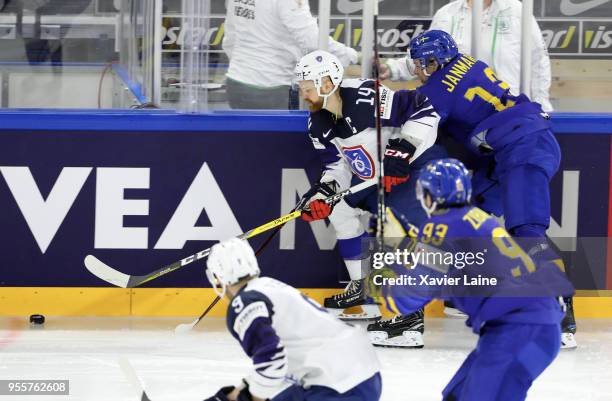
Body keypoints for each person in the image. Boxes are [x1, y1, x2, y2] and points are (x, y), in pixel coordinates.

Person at [408, 29, 577, 348]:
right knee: (466, 216)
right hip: (514, 148)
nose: (416, 71)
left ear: (433, 61)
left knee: (527, 230)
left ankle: (561, 312)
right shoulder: (470, 63)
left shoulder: (435, 91)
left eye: (419, 64)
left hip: (522, 148)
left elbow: (421, 130)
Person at [368, 158, 574, 401]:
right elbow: (447, 258)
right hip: (529, 327)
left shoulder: (441, 227)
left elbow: (410, 295)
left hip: (520, 331)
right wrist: (404, 240)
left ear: (428, 196)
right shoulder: (474, 217)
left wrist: (384, 279)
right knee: (458, 395)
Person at [295, 49, 447, 347]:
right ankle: (362, 287)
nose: (304, 96)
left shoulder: (366, 96)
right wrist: (324, 191)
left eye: (307, 89)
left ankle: (408, 318)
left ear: (327, 84)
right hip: (376, 179)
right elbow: (336, 167)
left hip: (415, 168)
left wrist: (403, 149)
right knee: (338, 209)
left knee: (397, 233)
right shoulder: (318, 124)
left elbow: (424, 109)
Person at [203, 238, 382, 401]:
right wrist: (242, 391)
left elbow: (271, 359)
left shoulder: (244, 303)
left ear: (217, 277)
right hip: (360, 373)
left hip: (339, 384)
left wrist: (247, 397)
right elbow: (282, 362)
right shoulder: (269, 287)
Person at [380, 0, 553, 111]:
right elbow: (426, 58)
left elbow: (538, 60)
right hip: (458, 115)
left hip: (507, 112)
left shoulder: (516, 10)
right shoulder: (447, 13)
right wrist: (390, 68)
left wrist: (541, 104)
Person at [222, 0, 358, 110]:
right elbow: (312, 40)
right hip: (269, 87)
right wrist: (354, 57)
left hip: (236, 83)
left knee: (246, 141)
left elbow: (230, 37)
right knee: (275, 143)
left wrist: (242, 68)